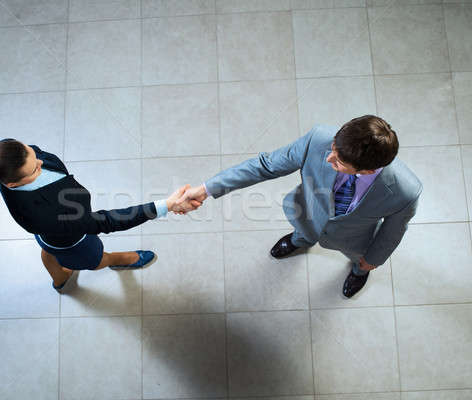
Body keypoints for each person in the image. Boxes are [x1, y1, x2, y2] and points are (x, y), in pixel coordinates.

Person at [180, 115, 422, 298]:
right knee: (304, 232)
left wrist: (372, 260)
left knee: (360, 261)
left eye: (337, 161)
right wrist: (205, 189)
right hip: (307, 213)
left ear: (367, 171)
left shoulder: (405, 192)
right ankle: (299, 241)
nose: (328, 158)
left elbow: (393, 231)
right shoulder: (319, 139)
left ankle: (359, 272)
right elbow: (265, 166)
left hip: (354, 240)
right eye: (333, 149)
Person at [0, 139, 201, 293]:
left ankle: (60, 280)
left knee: (48, 248)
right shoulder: (52, 213)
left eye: (32, 153)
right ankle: (114, 260)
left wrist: (33, 160)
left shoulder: (3, 165)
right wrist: (166, 205)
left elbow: (34, 155)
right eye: (35, 169)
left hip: (50, 236)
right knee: (95, 258)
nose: (40, 160)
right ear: (12, 182)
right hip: (73, 240)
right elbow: (107, 221)